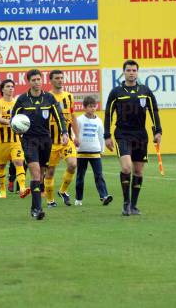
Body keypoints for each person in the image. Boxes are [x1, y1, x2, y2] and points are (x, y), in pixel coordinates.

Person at [104, 59, 162, 216]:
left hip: (140, 135)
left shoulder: (145, 91)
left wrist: (158, 131)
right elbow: (108, 113)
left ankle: (134, 206)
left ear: (137, 72)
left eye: (134, 70)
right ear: (123, 72)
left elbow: (154, 112)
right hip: (122, 134)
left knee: (138, 170)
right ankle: (126, 203)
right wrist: (107, 135)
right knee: (126, 167)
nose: (131, 73)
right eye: (128, 70)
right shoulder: (116, 92)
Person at [12, 69, 67, 220]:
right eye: (33, 80)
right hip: (29, 140)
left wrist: (64, 132)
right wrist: (17, 129)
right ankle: (37, 209)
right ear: (28, 82)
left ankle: (33, 207)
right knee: (35, 172)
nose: (36, 82)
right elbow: (13, 118)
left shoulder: (49, 98)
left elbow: (59, 116)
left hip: (45, 140)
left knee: (41, 173)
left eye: (38, 79)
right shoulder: (22, 99)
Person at [46, 70, 79, 207]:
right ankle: (50, 200)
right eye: (57, 78)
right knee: (50, 172)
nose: (60, 80)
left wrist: (76, 135)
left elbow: (72, 117)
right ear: (51, 81)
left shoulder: (69, 96)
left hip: (66, 139)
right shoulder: (46, 97)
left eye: (61, 78)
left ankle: (63, 191)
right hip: (50, 142)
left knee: (72, 164)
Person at [0, 79, 30, 198]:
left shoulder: (17, 103)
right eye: (8, 86)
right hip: (1, 141)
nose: (11, 88)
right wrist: (11, 122)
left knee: (19, 162)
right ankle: (3, 190)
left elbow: (24, 119)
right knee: (2, 166)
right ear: (2, 89)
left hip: (15, 140)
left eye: (12, 86)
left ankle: (23, 188)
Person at [75, 96, 112, 206]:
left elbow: (101, 136)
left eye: (94, 106)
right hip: (81, 152)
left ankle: (104, 196)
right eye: (90, 107)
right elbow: (75, 134)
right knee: (80, 176)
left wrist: (102, 150)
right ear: (85, 107)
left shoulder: (99, 121)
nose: (92, 109)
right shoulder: (79, 120)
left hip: (95, 151)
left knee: (99, 175)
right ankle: (78, 199)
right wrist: (75, 148)